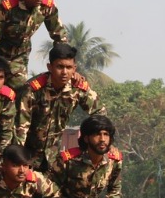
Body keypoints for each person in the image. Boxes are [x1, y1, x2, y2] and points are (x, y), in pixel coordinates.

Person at [15, 43, 104, 172]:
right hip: (27, 157)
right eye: (60, 67)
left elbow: (100, 113)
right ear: (50, 67)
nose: (64, 72)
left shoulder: (78, 88)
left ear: (74, 69)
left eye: (69, 67)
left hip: (54, 159)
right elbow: (20, 128)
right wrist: (19, 162)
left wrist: (89, 142)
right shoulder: (33, 90)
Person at [52, 115, 123, 198]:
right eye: (97, 134)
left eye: (106, 134)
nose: (102, 139)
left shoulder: (114, 161)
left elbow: (114, 190)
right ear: (86, 138)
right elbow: (52, 190)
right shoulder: (68, 160)